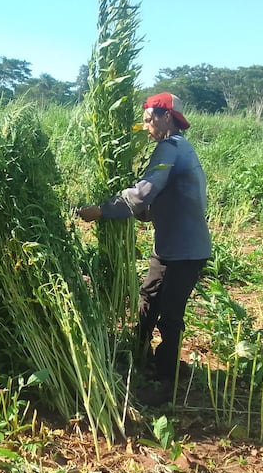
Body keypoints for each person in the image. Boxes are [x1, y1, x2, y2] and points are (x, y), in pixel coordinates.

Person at [76, 93, 212, 406]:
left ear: (168, 118)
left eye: (151, 118)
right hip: (169, 246)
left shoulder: (171, 147)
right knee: (149, 297)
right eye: (146, 118)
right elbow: (155, 203)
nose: (146, 124)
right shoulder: (177, 150)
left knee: (170, 313)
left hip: (186, 249)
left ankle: (167, 378)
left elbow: (142, 194)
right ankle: (141, 355)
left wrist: (102, 209)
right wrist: (137, 210)